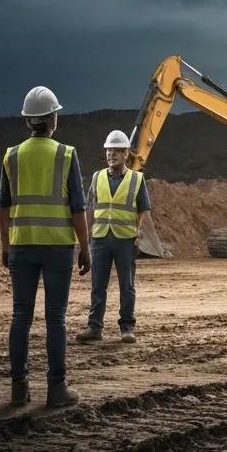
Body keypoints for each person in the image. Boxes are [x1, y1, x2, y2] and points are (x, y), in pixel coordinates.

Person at [0, 86, 91, 408]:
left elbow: (3, 206)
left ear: (27, 121)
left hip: (21, 245)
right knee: (56, 318)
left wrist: (5, 245)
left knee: (20, 316)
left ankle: (18, 389)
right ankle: (56, 390)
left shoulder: (11, 155)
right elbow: (78, 207)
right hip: (57, 247)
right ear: (54, 118)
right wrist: (86, 247)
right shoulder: (66, 154)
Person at [77, 129, 150, 344]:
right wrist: (87, 237)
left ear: (126, 153)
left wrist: (138, 233)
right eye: (109, 151)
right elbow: (90, 207)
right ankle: (94, 327)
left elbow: (143, 209)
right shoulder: (97, 177)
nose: (111, 155)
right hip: (100, 238)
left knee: (126, 285)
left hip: (125, 239)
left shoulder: (137, 179)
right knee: (98, 285)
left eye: (116, 151)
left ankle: (127, 327)